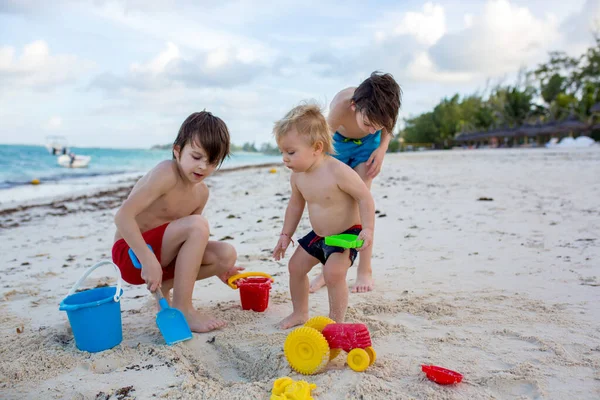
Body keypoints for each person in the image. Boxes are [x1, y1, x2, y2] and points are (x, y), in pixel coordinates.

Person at [112, 111, 242, 333]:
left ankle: (166, 288)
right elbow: (122, 216)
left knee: (226, 254)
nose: (203, 167)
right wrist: (148, 259)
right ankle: (184, 308)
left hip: (162, 259)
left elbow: (190, 242)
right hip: (132, 255)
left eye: (212, 161)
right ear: (177, 150)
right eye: (197, 157)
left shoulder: (201, 193)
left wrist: (219, 268)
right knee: (198, 224)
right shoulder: (166, 173)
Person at [272, 103, 375, 329]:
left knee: (333, 274)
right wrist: (285, 234)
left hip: (345, 235)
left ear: (317, 148)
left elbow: (364, 197)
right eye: (282, 152)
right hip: (319, 235)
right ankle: (300, 313)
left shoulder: (337, 171)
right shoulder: (298, 176)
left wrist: (367, 229)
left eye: (290, 152)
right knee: (295, 267)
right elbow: (295, 205)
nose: (285, 159)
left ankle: (336, 322)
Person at [309, 71, 402, 294]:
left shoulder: (380, 120)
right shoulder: (341, 106)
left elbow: (386, 127)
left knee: (362, 201)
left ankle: (365, 269)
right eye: (369, 123)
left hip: (367, 148)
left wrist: (381, 149)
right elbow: (320, 147)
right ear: (354, 106)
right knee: (335, 204)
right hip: (338, 144)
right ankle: (327, 268)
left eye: (378, 127)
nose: (373, 129)